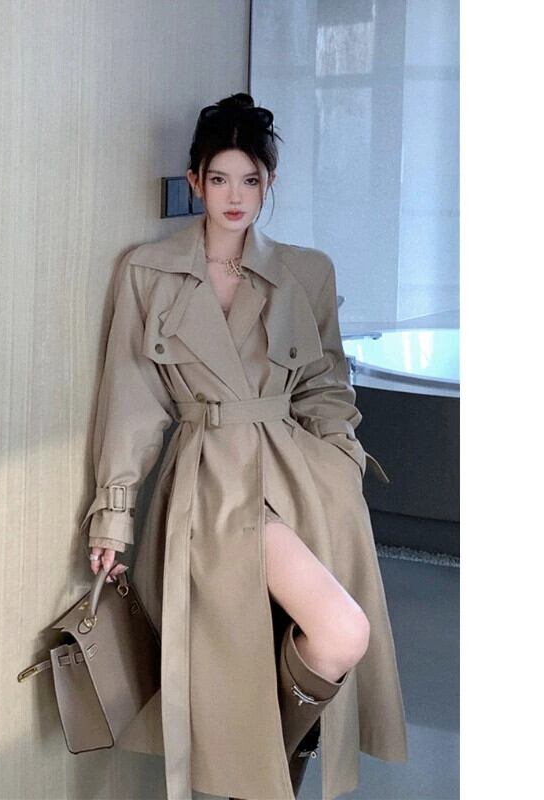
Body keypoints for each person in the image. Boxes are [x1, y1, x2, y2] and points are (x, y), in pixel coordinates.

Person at [79, 93, 407, 800]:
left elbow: (326, 383)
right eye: (220, 178)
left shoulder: (305, 272)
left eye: (251, 179)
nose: (235, 196)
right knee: (335, 632)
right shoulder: (149, 272)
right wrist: (113, 515)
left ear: (270, 183)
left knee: (310, 640)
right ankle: (256, 780)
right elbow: (130, 402)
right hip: (211, 484)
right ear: (194, 181)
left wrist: (341, 460)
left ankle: (254, 783)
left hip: (303, 477)